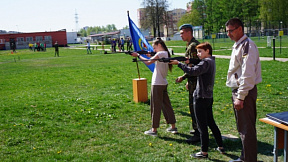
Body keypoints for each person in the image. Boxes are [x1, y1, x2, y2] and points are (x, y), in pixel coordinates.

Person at [170, 42, 224, 158]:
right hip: (208, 96)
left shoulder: (205, 62)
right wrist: (189, 62)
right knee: (211, 122)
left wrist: (179, 64)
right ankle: (221, 146)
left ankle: (204, 152)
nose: (198, 54)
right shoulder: (210, 61)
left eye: (200, 51)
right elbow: (197, 66)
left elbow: (193, 71)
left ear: (207, 51)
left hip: (200, 97)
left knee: (202, 126)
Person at [225, 18, 262, 162]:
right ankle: (244, 157)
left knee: (247, 129)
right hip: (240, 91)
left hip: (244, 92)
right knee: (243, 128)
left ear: (240, 29)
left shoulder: (247, 46)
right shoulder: (238, 45)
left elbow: (248, 74)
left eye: (231, 30)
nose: (228, 34)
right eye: (227, 31)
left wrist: (240, 97)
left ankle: (249, 159)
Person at [130, 38, 177, 136]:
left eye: (155, 47)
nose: (154, 50)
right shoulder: (166, 53)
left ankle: (154, 129)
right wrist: (150, 55)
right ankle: (173, 127)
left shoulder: (160, 54)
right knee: (167, 105)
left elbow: (148, 62)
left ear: (159, 45)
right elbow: (156, 58)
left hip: (157, 83)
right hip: (163, 82)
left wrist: (138, 55)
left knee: (155, 107)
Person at [175, 24, 200, 143]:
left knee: (195, 107)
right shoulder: (190, 45)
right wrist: (184, 77)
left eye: (182, 33)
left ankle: (198, 132)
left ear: (189, 32)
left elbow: (195, 66)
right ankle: (197, 129)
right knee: (193, 106)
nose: (180, 35)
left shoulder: (193, 46)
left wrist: (188, 77)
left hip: (196, 81)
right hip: (192, 80)